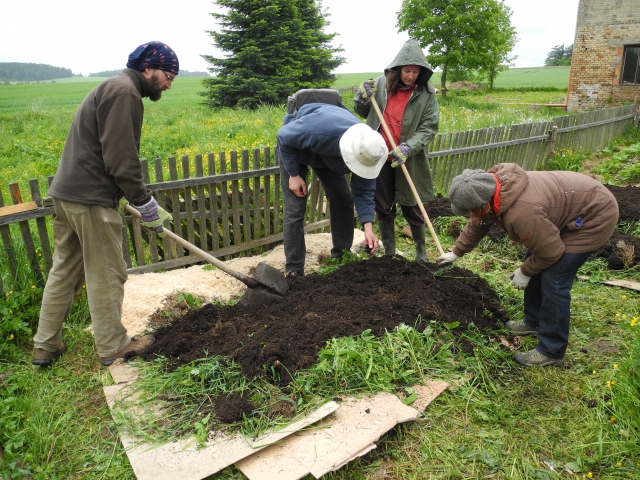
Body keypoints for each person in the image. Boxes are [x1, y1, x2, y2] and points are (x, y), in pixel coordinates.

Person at [32, 41, 179, 367]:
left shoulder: (113, 87)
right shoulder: (124, 92)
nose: (169, 84)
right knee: (108, 273)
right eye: (168, 76)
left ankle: (45, 345)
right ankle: (114, 346)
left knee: (64, 271)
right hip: (90, 200)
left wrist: (140, 198)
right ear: (148, 68)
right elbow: (121, 159)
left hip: (67, 195)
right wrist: (144, 202)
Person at [436, 163, 618, 367]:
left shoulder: (522, 213)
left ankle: (552, 351)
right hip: (567, 209)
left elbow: (550, 252)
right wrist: (456, 252)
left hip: (594, 215)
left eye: (470, 210)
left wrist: (525, 271)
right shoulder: (489, 187)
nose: (469, 214)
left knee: (554, 279)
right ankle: (534, 321)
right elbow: (479, 222)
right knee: (535, 260)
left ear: (482, 205)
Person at [277, 102, 388, 277]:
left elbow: (364, 191)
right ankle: (294, 269)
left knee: (343, 199)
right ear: (352, 153)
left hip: (329, 156)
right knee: (295, 208)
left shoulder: (369, 151)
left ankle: (341, 257)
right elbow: (283, 136)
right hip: (296, 150)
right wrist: (293, 174)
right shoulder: (319, 131)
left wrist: (368, 227)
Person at [354, 39, 439, 261]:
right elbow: (364, 111)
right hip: (379, 156)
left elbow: (429, 127)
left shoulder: (427, 94)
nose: (410, 75)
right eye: (407, 70)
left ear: (421, 71)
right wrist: (361, 96)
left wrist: (409, 147)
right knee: (382, 205)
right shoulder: (381, 84)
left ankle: (421, 253)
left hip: (407, 157)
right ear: (398, 68)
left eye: (415, 71)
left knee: (412, 206)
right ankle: (389, 253)